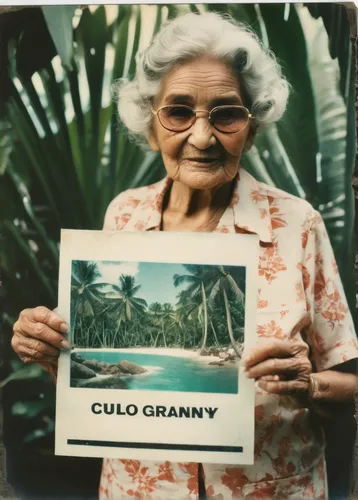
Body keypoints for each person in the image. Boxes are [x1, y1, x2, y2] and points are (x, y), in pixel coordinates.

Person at [11, 11, 358, 499]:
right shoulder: (124, 215)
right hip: (138, 489)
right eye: (178, 112)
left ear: (252, 125)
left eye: (226, 113)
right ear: (150, 124)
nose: (201, 137)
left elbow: (349, 383)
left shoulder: (297, 224)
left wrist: (309, 384)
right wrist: (47, 345)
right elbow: (89, 365)